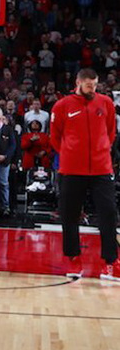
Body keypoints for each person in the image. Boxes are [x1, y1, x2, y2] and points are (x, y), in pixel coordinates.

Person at [50, 68, 118, 279]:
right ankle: (73, 259)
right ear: (78, 83)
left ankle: (111, 262)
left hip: (101, 169)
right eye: (89, 85)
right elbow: (55, 137)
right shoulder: (62, 105)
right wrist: (71, 154)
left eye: (95, 85)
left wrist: (102, 149)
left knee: (108, 213)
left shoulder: (105, 103)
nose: (93, 89)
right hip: (71, 169)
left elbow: (110, 132)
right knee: (70, 215)